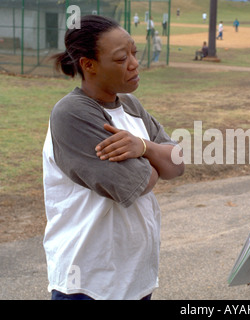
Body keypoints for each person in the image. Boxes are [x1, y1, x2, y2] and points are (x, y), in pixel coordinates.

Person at [44, 15, 184, 300]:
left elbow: (178, 164)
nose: (134, 63)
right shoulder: (72, 114)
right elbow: (133, 183)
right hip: (88, 284)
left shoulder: (131, 105)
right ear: (88, 65)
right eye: (121, 58)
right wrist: (157, 159)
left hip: (133, 278)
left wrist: (143, 147)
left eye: (134, 52)